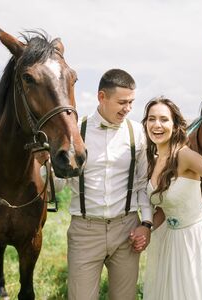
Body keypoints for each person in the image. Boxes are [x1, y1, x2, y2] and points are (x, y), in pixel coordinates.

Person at [58, 69, 153, 300]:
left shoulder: (137, 132)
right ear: (102, 97)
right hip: (85, 231)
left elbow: (142, 183)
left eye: (131, 102)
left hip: (126, 229)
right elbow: (58, 185)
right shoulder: (75, 131)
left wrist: (147, 224)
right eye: (122, 102)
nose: (127, 108)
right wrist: (46, 165)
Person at [141, 97, 202, 299]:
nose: (157, 125)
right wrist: (145, 229)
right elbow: (162, 208)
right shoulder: (152, 161)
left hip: (197, 239)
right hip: (171, 241)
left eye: (163, 119)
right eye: (151, 119)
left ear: (175, 125)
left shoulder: (186, 156)